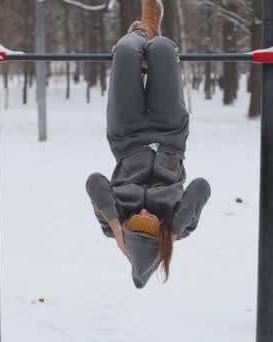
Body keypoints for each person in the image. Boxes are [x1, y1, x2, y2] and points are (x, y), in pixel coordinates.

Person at [85, 0, 211, 289]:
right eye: (152, 222)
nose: (143, 214)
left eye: (136, 221)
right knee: (164, 48)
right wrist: (174, 230)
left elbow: (94, 182)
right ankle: (151, 34)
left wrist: (116, 225)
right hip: (170, 133)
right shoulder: (180, 222)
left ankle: (144, 30)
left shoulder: (112, 221)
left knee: (127, 51)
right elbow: (201, 187)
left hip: (126, 134)